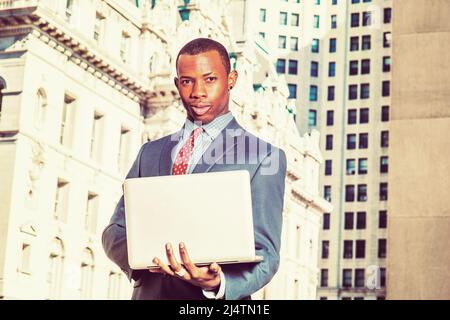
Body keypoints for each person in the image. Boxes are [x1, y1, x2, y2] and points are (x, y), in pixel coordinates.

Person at [102, 38, 287, 300]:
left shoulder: (265, 157)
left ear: (231, 79)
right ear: (178, 84)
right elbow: (114, 232)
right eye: (188, 81)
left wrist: (218, 282)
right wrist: (151, 259)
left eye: (210, 80)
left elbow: (267, 254)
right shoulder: (150, 153)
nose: (198, 92)